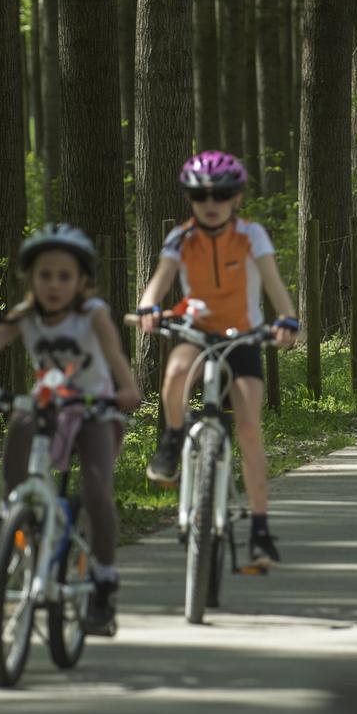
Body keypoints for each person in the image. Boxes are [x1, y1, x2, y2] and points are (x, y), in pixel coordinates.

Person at [0, 224, 141, 635]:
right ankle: (11, 517)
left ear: (82, 281)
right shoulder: (24, 315)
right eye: (45, 275)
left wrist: (125, 389)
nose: (54, 285)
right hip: (48, 404)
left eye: (64, 276)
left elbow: (113, 353)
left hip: (94, 409)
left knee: (95, 492)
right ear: (30, 279)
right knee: (20, 420)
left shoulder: (93, 314)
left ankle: (104, 580)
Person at [136, 151, 299, 568]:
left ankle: (260, 529)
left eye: (222, 195)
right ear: (191, 198)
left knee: (247, 427)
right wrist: (149, 309)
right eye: (201, 195)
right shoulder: (180, 238)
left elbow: (273, 281)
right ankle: (173, 441)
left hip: (244, 335)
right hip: (197, 330)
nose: (211, 203)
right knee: (174, 374)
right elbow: (159, 282)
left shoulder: (251, 235)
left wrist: (287, 319)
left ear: (236, 199)